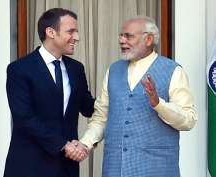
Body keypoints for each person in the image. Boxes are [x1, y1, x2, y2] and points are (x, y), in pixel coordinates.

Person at [67, 16, 198, 177]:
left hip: (157, 169)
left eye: (128, 36)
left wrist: (159, 104)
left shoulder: (173, 71)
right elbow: (101, 117)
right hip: (115, 169)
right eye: (121, 36)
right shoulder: (113, 71)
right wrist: (85, 143)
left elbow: (189, 120)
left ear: (148, 39)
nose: (122, 40)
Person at [4, 8, 94, 177]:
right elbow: (24, 118)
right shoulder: (19, 69)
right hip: (29, 165)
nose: (77, 37)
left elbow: (88, 107)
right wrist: (64, 145)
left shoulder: (76, 69)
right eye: (71, 31)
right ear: (51, 32)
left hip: (66, 167)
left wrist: (117, 93)